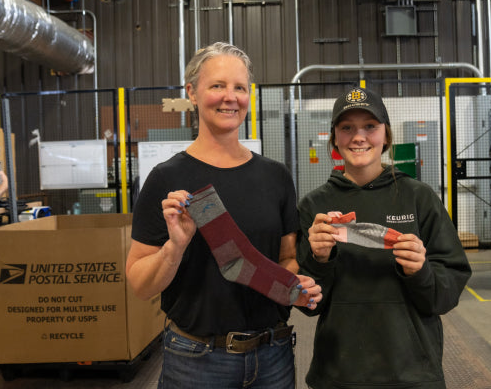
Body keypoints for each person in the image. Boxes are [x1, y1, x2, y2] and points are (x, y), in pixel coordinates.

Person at [126, 42, 322, 389]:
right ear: (193, 93)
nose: (230, 97)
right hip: (196, 361)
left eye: (239, 87)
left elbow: (286, 258)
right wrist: (175, 247)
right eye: (217, 85)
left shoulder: (275, 177)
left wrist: (295, 285)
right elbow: (141, 285)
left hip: (273, 355)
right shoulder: (167, 179)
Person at [297, 86, 472, 388]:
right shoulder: (315, 207)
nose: (359, 136)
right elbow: (306, 305)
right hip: (339, 374)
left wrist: (420, 271)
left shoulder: (419, 198)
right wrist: (319, 260)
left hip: (412, 374)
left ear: (386, 136)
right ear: (335, 138)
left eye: (370, 126)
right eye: (346, 127)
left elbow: (446, 294)